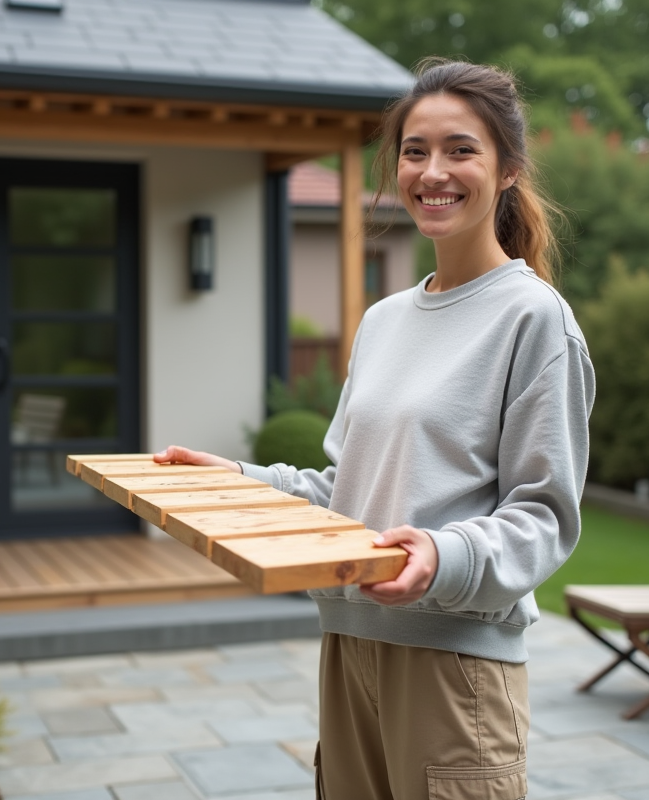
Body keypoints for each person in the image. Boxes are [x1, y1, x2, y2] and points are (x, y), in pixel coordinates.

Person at [155, 58, 594, 800]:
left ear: (509, 169)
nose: (432, 172)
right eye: (414, 151)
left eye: (461, 150)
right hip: (348, 643)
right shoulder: (386, 319)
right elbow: (345, 486)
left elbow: (545, 516)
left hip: (454, 666)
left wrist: (443, 553)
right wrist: (239, 482)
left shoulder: (534, 319)